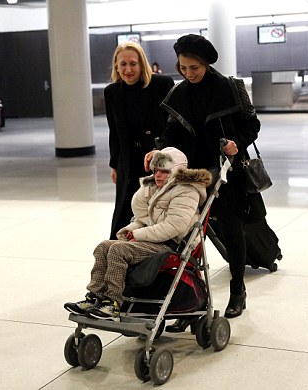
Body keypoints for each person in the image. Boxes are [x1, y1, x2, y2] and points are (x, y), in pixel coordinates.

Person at [145, 34, 263, 320]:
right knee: (187, 238)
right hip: (190, 174)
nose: (188, 74)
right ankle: (190, 298)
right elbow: (172, 133)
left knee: (232, 231)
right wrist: (158, 150)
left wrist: (237, 142)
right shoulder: (179, 93)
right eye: (183, 68)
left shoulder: (232, 88)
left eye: (194, 68)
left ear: (207, 63)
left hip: (225, 171)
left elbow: (252, 124)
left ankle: (238, 290)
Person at [65, 147, 212, 319]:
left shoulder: (187, 191)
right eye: (155, 170)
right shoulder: (154, 188)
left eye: (164, 171)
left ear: (176, 171)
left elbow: (173, 227)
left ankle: (112, 303)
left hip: (170, 245)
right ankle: (95, 296)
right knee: (103, 246)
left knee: (119, 250)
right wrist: (131, 230)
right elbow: (144, 220)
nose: (157, 175)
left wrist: (139, 235)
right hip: (152, 241)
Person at [105, 42, 174, 240]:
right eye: (123, 64)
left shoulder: (161, 84)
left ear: (142, 64)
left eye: (133, 64)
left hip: (155, 158)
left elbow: (173, 124)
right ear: (116, 66)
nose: (128, 70)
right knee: (123, 212)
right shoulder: (112, 92)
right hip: (128, 160)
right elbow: (114, 132)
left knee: (155, 211)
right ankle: (116, 251)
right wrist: (115, 164)